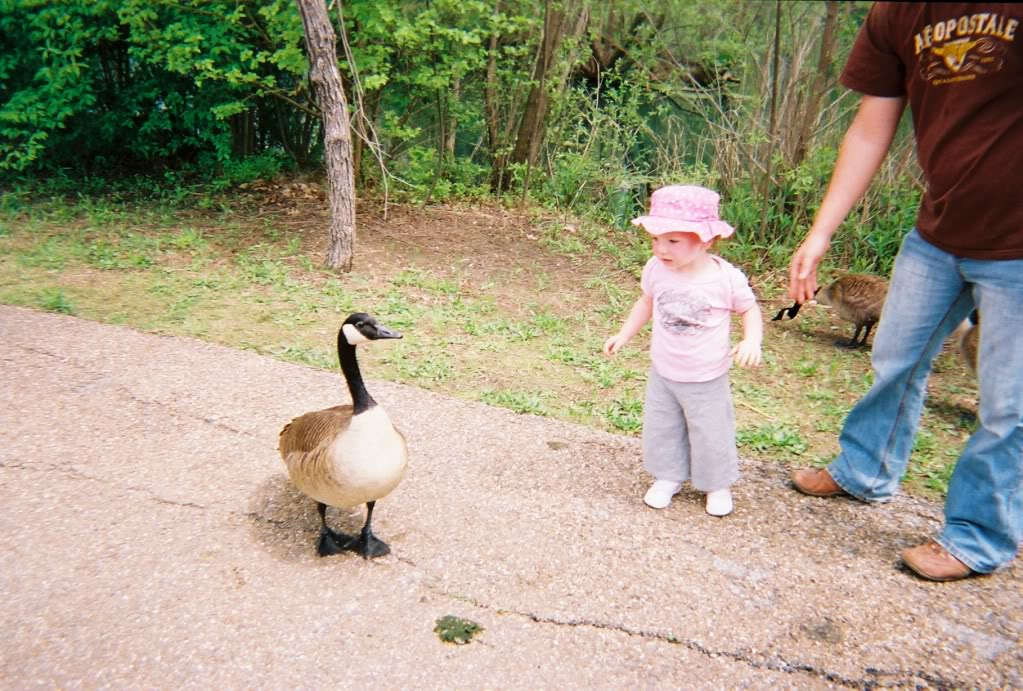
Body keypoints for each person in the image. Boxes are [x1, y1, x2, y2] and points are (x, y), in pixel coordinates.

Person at [787, 2, 1023, 581]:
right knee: (896, 357)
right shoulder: (899, 11)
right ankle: (865, 470)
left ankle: (977, 534)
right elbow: (872, 126)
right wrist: (820, 233)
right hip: (939, 231)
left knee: (1007, 403)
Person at [604, 184, 763, 517]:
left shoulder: (725, 279)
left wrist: (752, 341)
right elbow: (646, 302)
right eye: (655, 239)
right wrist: (624, 334)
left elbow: (749, 309)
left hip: (706, 376)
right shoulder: (656, 269)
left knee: (710, 431)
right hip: (664, 370)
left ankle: (716, 484)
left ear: (705, 240)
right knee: (663, 426)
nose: (661, 248)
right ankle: (668, 476)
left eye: (673, 241)